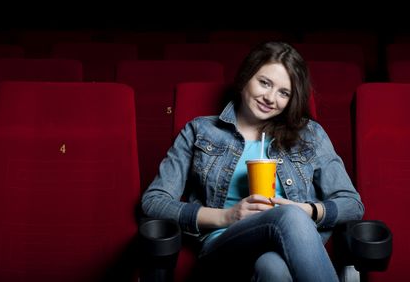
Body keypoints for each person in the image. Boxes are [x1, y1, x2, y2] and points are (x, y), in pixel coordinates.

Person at [141, 41, 364, 281]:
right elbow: (153, 202)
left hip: (290, 249)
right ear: (247, 76)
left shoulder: (310, 134)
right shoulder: (200, 130)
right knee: (289, 217)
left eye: (284, 93)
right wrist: (226, 216)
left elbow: (352, 204)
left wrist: (307, 211)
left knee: (274, 268)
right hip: (223, 247)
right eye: (264, 83)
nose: (270, 98)